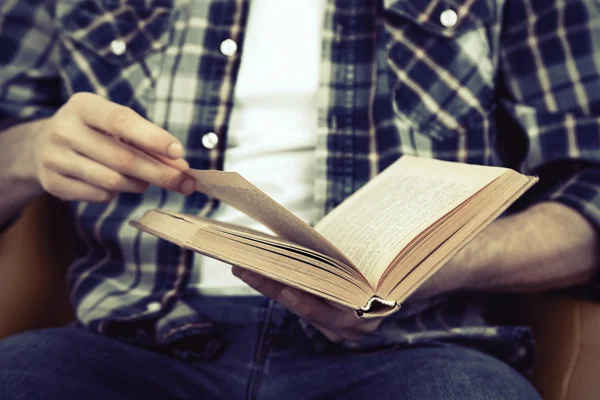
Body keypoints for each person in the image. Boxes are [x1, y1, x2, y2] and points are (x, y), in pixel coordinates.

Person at [0, 0, 598, 398]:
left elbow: (590, 194)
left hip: (415, 349)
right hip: (131, 337)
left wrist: (439, 261)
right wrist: (29, 149)